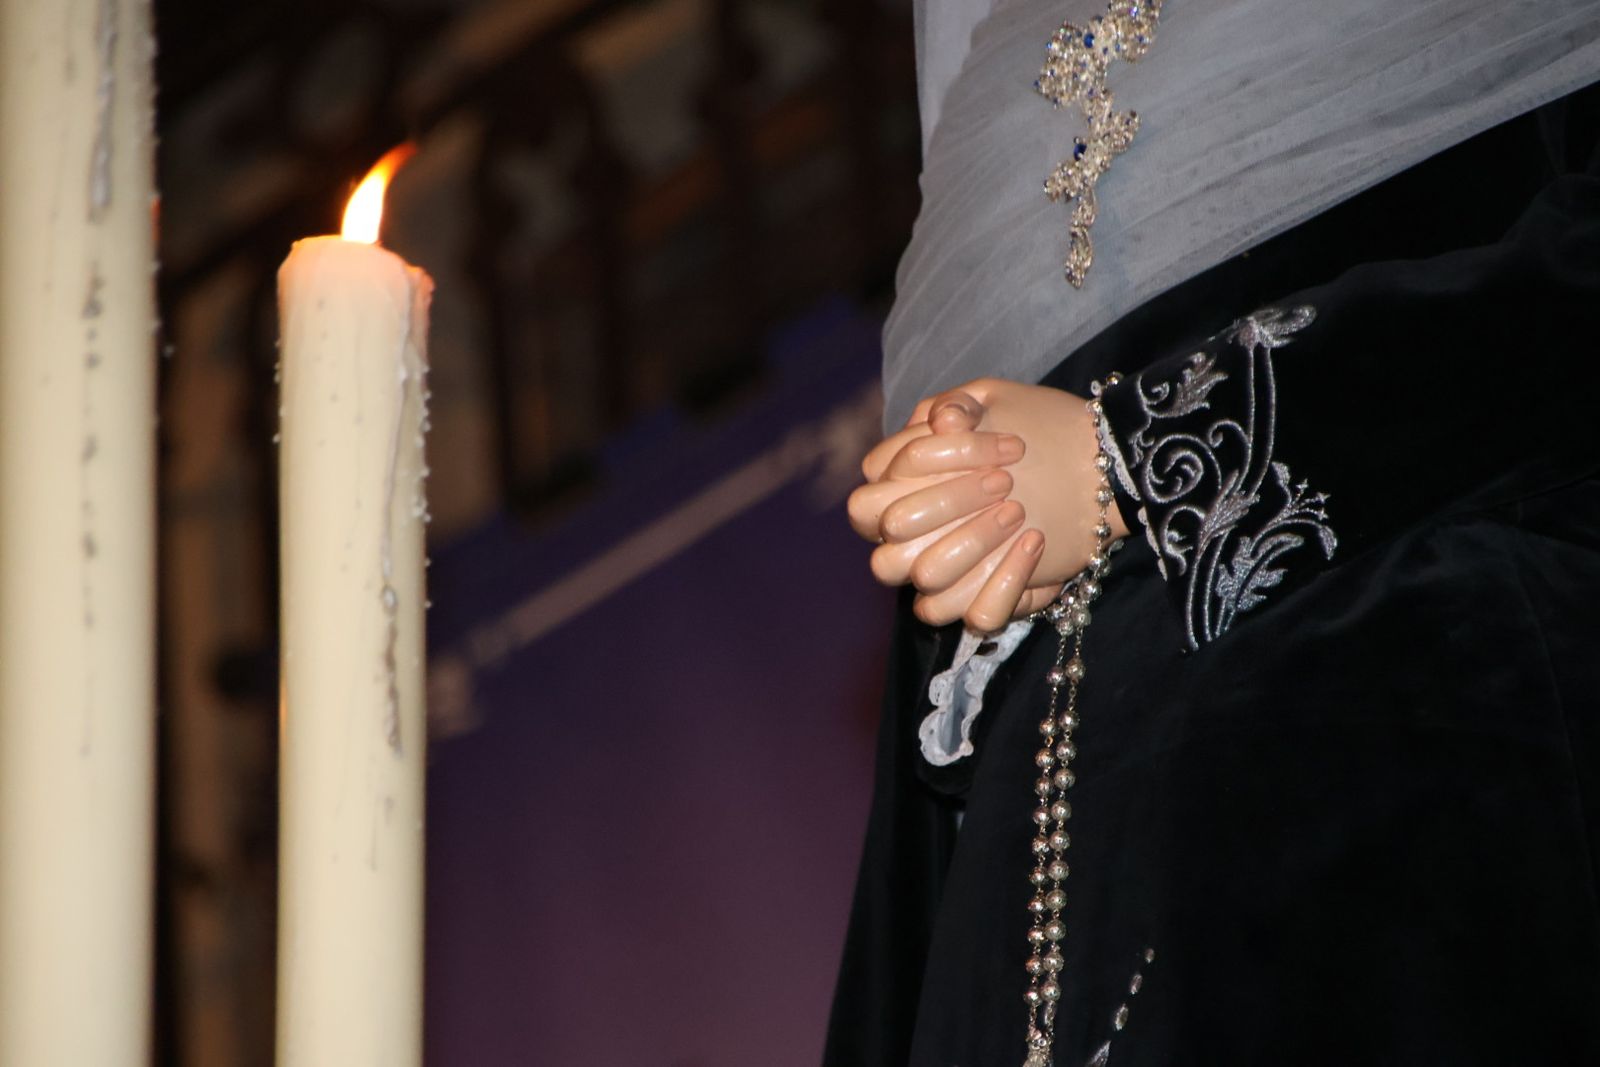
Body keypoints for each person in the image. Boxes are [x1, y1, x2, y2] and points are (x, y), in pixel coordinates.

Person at [824, 1, 1600, 1064]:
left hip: (1403, 706)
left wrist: (1140, 452)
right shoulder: (989, 48)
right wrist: (971, 502)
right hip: (1052, 823)